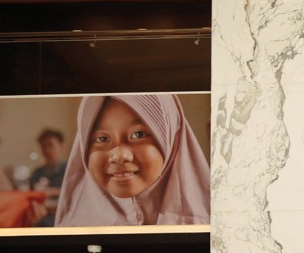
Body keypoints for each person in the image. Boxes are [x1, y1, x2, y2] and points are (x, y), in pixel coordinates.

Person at [55, 93, 210, 226]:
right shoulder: (71, 227)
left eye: (139, 135)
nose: (119, 156)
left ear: (171, 141)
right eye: (102, 138)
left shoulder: (215, 226)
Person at [29, 128, 67, 227]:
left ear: (61, 146)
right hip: (41, 221)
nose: (47, 150)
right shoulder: (36, 173)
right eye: (43, 146)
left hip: (65, 220)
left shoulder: (70, 170)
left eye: (50, 145)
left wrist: (52, 192)